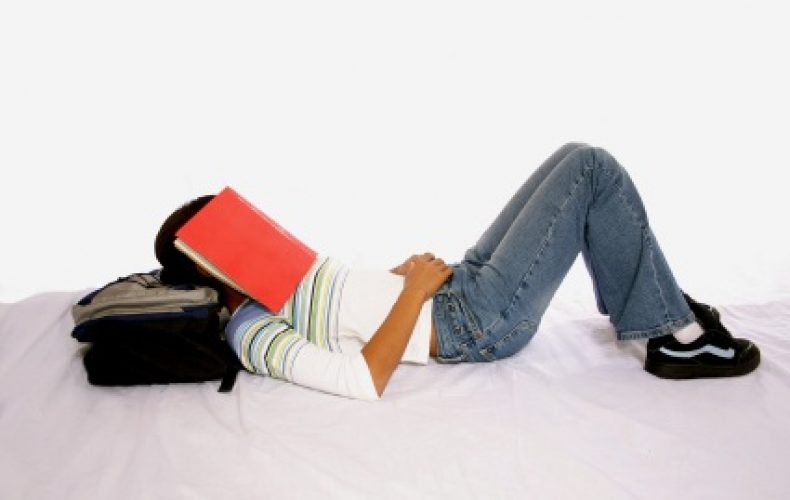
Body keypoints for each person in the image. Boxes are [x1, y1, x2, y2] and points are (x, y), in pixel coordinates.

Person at [154, 143, 760, 401]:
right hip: (474, 323)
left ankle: (654, 308)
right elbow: (362, 380)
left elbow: (341, 310)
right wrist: (412, 295)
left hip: (457, 287)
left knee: (570, 156)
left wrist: (399, 277)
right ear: (207, 261)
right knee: (592, 170)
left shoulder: (274, 276)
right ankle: (673, 336)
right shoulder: (252, 331)